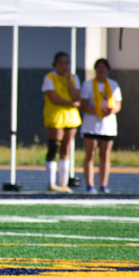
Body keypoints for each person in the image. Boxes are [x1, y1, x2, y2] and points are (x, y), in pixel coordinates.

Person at [42, 51, 81, 193]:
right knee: (54, 147)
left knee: (66, 148)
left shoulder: (73, 77)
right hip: (56, 116)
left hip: (71, 117)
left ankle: (64, 183)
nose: (64, 66)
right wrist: (71, 103)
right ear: (55, 64)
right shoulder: (49, 78)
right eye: (61, 63)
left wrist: (68, 80)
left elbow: (77, 96)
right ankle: (51, 183)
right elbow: (54, 98)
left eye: (66, 63)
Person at [81, 59, 122, 193]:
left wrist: (110, 111)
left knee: (105, 155)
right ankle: (90, 184)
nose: (101, 70)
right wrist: (98, 111)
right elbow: (84, 105)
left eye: (103, 67)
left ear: (108, 70)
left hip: (107, 126)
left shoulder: (113, 85)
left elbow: (118, 105)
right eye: (98, 67)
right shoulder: (88, 85)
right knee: (90, 154)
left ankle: (103, 184)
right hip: (91, 125)